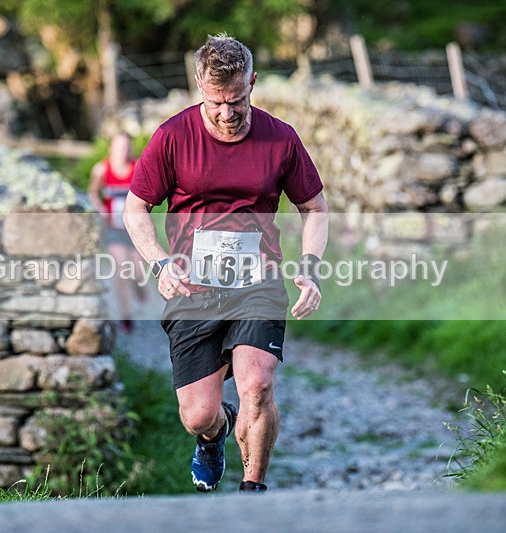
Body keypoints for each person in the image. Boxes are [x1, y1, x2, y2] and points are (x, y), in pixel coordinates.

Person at [123, 34, 328, 493]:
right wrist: (160, 264)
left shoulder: (280, 138)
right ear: (199, 85)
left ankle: (252, 492)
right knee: (197, 414)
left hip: (259, 283)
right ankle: (215, 434)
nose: (226, 113)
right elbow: (135, 208)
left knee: (257, 384)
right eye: (215, 102)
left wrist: (310, 267)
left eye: (237, 101)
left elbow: (314, 208)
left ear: (252, 83)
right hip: (193, 289)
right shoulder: (173, 137)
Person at [88, 132, 146, 333]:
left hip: (133, 227)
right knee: (122, 269)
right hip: (113, 227)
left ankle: (140, 288)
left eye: (126, 147)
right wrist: (101, 207)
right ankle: (126, 316)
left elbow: (148, 193)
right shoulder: (102, 169)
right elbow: (93, 192)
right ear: (111, 148)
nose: (123, 151)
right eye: (119, 147)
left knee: (138, 271)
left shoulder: (137, 167)